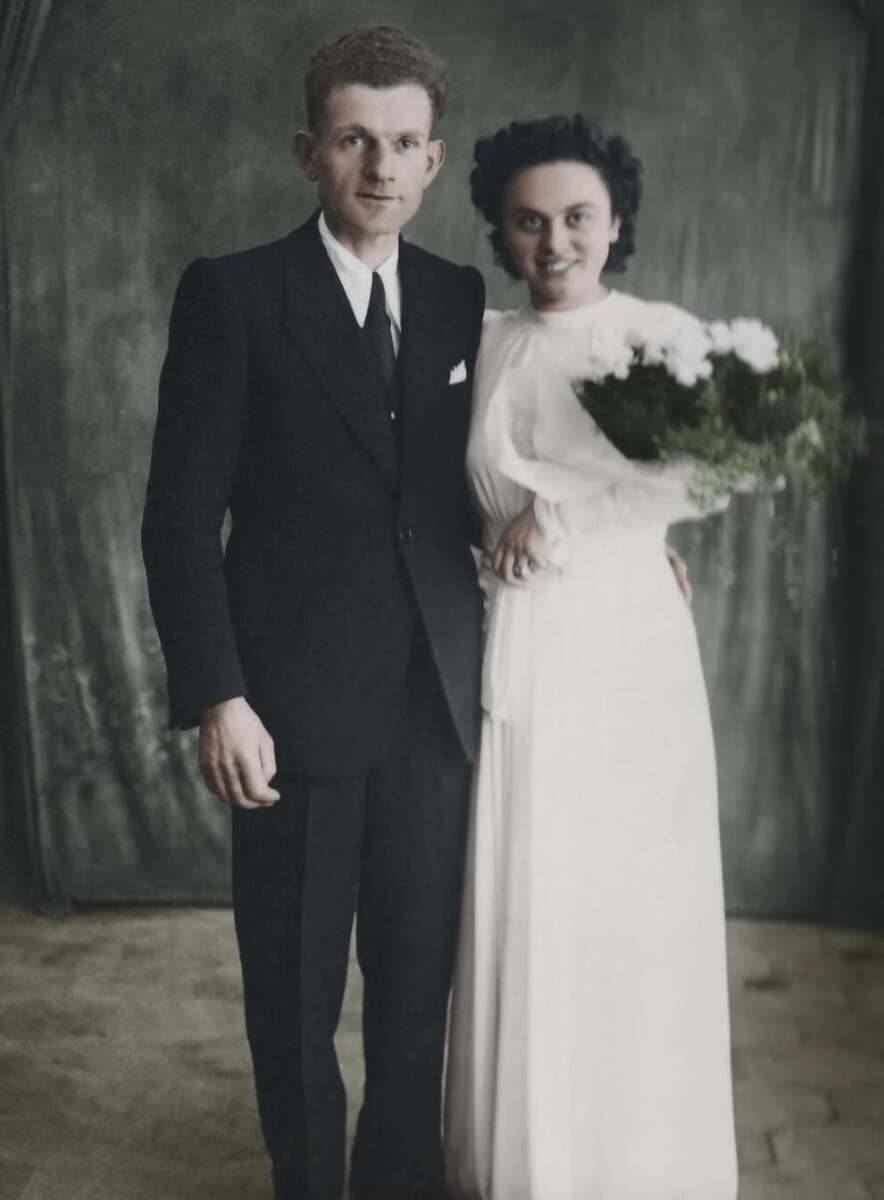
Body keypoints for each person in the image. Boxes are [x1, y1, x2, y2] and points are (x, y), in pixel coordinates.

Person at [141, 25, 487, 1200]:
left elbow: (475, 489)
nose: (378, 168)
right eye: (353, 140)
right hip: (286, 715)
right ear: (308, 152)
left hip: (430, 716)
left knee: (411, 995)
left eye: (401, 144)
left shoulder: (455, 298)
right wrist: (217, 695)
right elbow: (179, 521)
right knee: (292, 998)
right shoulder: (235, 296)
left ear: (433, 162)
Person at [443, 115, 738, 1199]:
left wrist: (561, 522)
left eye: (575, 218)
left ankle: (632, 1167)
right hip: (511, 637)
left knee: (619, 898)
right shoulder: (482, 338)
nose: (553, 243)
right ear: (498, 231)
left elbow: (697, 475)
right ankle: (524, 1168)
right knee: (525, 893)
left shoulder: (655, 334)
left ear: (614, 224)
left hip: (618, 650)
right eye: (527, 222)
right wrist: (503, 540)